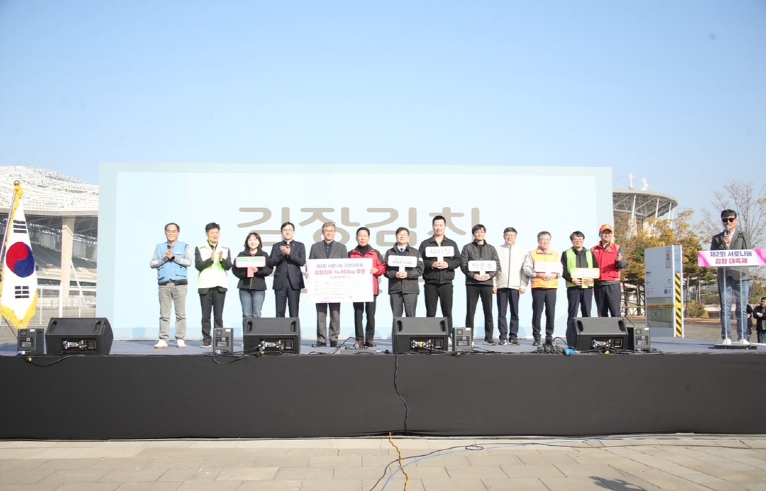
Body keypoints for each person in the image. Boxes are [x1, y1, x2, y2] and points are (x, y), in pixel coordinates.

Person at [710, 209, 752, 345]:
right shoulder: (717, 238)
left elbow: (749, 254)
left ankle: (743, 337)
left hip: (741, 276)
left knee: (742, 308)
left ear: (736, 220)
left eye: (731, 219)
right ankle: (726, 337)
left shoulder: (743, 236)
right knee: (725, 308)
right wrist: (723, 244)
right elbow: (712, 257)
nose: (728, 222)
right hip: (724, 276)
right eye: (725, 220)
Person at [150, 222, 192, 349]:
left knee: (180, 314)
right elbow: (152, 263)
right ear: (165, 232)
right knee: (164, 314)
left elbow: (189, 262)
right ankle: (163, 339)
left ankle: (180, 338)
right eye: (169, 231)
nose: (171, 233)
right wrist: (164, 259)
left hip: (180, 284)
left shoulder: (184, 246)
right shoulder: (159, 247)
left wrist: (174, 257)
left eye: (174, 231)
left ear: (178, 233)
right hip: (164, 284)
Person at [308, 222, 348, 348]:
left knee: (335, 314)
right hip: (319, 286)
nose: (329, 233)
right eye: (326, 230)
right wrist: (309, 272)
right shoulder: (315, 247)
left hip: (336, 286)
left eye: (331, 230)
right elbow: (310, 264)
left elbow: (346, 267)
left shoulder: (341, 247)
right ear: (322, 232)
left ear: (335, 232)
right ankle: (321, 339)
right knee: (321, 314)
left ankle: (334, 338)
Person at [460, 224, 501, 345]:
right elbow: (463, 265)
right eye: (477, 232)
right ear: (473, 234)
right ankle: (469, 338)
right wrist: (474, 275)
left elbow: (497, 265)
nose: (479, 234)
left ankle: (488, 338)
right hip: (472, 283)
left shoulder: (491, 248)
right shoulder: (467, 247)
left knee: (488, 311)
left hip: (487, 283)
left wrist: (490, 275)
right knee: (470, 311)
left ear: (485, 233)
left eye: (482, 232)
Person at [418, 215, 461, 329]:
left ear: (445, 227)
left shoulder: (451, 243)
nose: (438, 228)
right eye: (436, 225)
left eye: (441, 225)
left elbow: (458, 260)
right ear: (432, 227)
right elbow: (419, 261)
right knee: (430, 312)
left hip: (446, 283)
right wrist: (431, 264)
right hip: (430, 282)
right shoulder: (425, 244)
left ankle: (448, 335)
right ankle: (430, 335)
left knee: (447, 312)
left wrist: (448, 264)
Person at [194, 222, 232, 348]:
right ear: (207, 234)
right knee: (206, 316)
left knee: (218, 316)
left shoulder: (225, 247)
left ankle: (219, 339)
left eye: (217, 232)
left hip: (220, 285)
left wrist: (222, 260)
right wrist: (210, 260)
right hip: (205, 285)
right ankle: (206, 339)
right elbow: (198, 266)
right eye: (212, 233)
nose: (215, 235)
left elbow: (228, 266)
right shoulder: (200, 248)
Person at [522, 231, 562, 346]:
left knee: (550, 313)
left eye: (547, 239)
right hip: (538, 286)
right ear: (538, 241)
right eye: (542, 239)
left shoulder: (555, 254)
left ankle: (549, 337)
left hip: (551, 287)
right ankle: (537, 337)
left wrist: (555, 275)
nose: (545, 241)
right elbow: (526, 268)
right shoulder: (532, 253)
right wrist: (538, 274)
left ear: (550, 241)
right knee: (537, 313)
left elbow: (560, 269)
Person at [349, 227, 386, 347]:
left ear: (369, 238)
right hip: (356, 289)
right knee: (358, 314)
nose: (362, 238)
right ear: (356, 238)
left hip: (371, 289)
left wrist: (377, 270)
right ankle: (359, 339)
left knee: (370, 315)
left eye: (365, 236)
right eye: (360, 236)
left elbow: (383, 267)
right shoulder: (351, 253)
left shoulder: (375, 253)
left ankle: (369, 339)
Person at [561, 231, 599, 347]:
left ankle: (588, 338)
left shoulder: (590, 253)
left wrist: (592, 278)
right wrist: (571, 279)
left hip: (587, 288)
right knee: (572, 313)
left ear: (583, 240)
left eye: (580, 239)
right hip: (573, 287)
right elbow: (563, 270)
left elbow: (596, 268)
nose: (578, 241)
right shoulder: (566, 253)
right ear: (572, 241)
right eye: (575, 239)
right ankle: (571, 338)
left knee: (587, 312)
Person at [493, 227, 528, 346]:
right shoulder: (497, 249)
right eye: (507, 235)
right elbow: (494, 268)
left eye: (512, 235)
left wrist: (523, 285)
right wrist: (494, 284)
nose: (509, 237)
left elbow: (524, 270)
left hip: (515, 286)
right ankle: (503, 336)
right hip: (501, 285)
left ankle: (513, 336)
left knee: (515, 312)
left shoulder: (521, 251)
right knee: (501, 313)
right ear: (503, 236)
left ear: (516, 237)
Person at [231, 231, 273, 324]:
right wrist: (245, 273)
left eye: (255, 239)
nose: (252, 242)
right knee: (246, 315)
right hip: (244, 288)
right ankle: (246, 333)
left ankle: (256, 333)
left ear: (259, 242)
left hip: (259, 288)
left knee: (256, 314)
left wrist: (258, 271)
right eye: (250, 240)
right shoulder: (241, 255)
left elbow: (269, 270)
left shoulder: (264, 255)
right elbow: (235, 270)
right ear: (247, 242)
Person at [268, 221, 306, 318]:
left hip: (295, 282)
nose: (287, 232)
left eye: (290, 230)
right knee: (279, 311)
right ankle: (280, 328)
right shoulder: (276, 246)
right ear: (281, 232)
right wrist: (282, 255)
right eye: (285, 230)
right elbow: (271, 262)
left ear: (293, 232)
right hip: (280, 281)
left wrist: (290, 254)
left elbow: (302, 262)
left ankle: (294, 328)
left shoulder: (300, 245)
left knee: (294, 311)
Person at [384, 227, 424, 317]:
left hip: (411, 289)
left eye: (404, 235)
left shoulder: (415, 252)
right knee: (396, 317)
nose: (402, 236)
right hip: (395, 289)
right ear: (396, 236)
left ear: (408, 237)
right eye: (399, 235)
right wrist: (395, 274)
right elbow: (385, 270)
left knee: (411, 317)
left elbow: (420, 269)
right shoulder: (390, 252)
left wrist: (408, 274)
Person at [591, 224, 627, 317]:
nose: (607, 235)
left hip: (613, 284)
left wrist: (619, 261)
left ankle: (617, 327)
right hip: (598, 284)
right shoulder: (593, 249)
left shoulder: (617, 248)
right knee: (601, 313)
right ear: (600, 234)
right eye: (604, 233)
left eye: (609, 233)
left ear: (612, 235)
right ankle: (603, 327)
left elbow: (623, 265)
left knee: (615, 312)